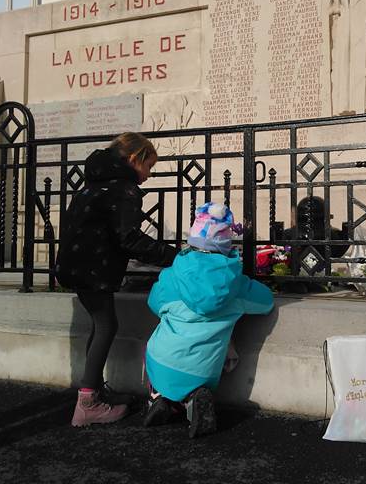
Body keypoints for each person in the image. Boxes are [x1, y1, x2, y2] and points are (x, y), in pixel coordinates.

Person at [55, 132, 176, 427]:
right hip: (94, 269)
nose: (148, 175)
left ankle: (93, 389)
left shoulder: (93, 185)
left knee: (100, 325)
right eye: (149, 167)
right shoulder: (124, 189)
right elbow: (129, 238)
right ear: (135, 159)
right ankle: (88, 404)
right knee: (107, 325)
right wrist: (174, 256)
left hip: (74, 265)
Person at [144, 201, 274, 438]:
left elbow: (153, 302)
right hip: (204, 369)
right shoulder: (236, 285)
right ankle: (193, 398)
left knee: (158, 351)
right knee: (197, 373)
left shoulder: (172, 276)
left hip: (161, 359)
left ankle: (158, 398)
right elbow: (266, 303)